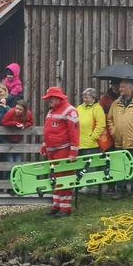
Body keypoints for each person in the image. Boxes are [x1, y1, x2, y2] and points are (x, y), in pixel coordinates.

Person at [39, 87, 81, 217]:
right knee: (55, 179)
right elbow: (48, 131)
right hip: (52, 152)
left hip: (63, 150)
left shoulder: (70, 111)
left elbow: (74, 133)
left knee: (64, 178)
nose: (48, 101)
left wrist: (73, 152)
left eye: (50, 99)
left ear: (57, 98)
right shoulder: (51, 111)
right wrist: (45, 145)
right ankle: (56, 206)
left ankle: (65, 209)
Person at [76, 88, 106, 157]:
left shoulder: (97, 108)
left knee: (90, 166)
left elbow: (101, 124)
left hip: (91, 145)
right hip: (79, 144)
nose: (85, 99)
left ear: (93, 98)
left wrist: (93, 137)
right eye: (84, 97)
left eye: (87, 98)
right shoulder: (79, 108)